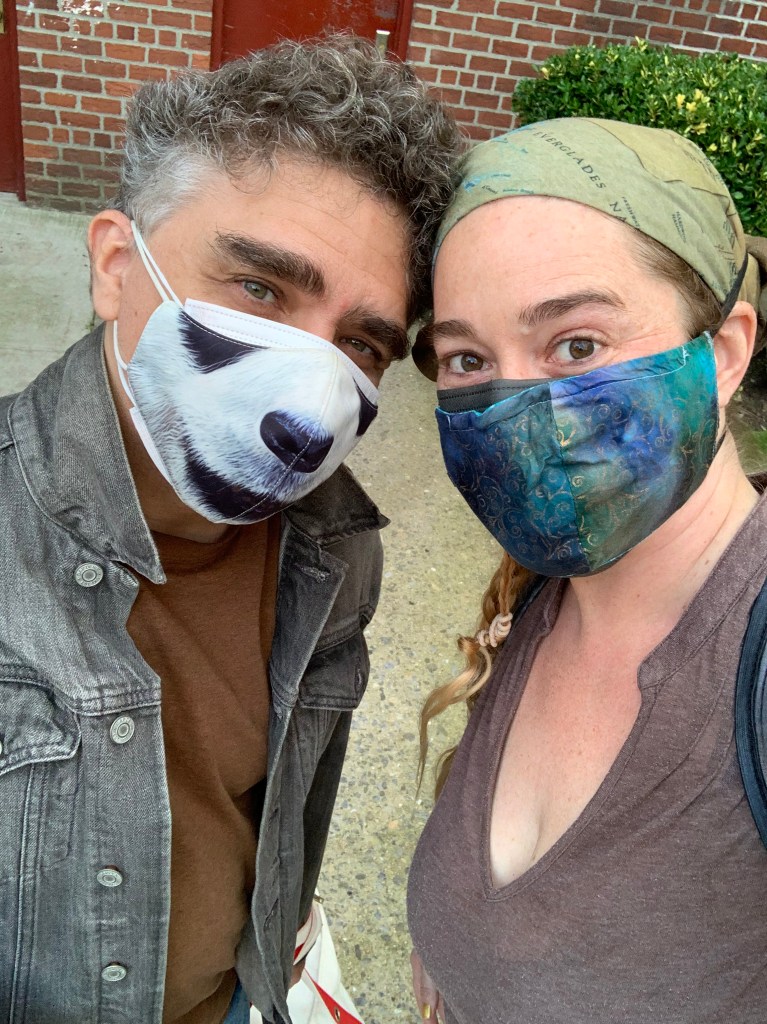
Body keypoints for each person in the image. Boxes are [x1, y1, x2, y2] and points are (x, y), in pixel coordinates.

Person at [0, 36, 463, 1024]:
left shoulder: (337, 552)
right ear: (115, 265)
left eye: (360, 342)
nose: (308, 392)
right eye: (259, 288)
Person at [407, 117, 767, 1023]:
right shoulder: (537, 594)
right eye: (467, 359)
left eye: (577, 345)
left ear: (723, 352)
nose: (515, 411)